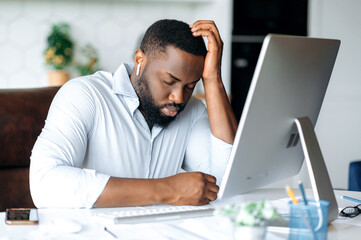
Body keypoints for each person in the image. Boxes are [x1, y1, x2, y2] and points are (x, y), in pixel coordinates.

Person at [30, 19, 237, 208]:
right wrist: (167, 190)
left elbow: (224, 183)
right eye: (168, 82)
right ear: (140, 60)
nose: (179, 97)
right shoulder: (86, 95)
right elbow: (45, 184)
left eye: (190, 86)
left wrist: (213, 79)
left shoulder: (192, 111)